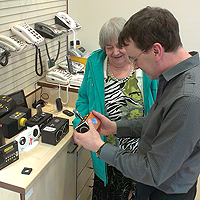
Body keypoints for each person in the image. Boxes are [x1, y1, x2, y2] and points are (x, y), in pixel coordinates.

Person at [73, 6, 200, 200]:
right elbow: (155, 122)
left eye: (135, 58)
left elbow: (153, 171)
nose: (135, 66)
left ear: (156, 50)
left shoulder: (187, 99)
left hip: (164, 192)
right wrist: (115, 127)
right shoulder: (173, 76)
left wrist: (100, 147)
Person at [73, 17, 156, 200]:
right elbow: (84, 100)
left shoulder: (144, 66)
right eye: (109, 47)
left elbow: (157, 102)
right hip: (105, 151)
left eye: (120, 45)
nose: (115, 52)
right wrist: (82, 125)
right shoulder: (95, 64)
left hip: (139, 154)